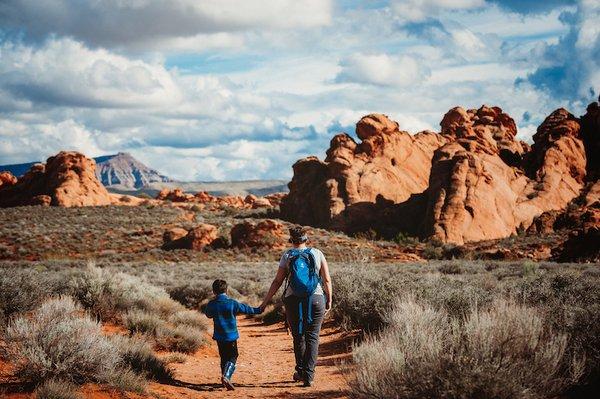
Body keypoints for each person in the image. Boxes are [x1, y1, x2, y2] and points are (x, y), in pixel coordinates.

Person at [259, 227, 333, 387]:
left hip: (293, 299)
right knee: (313, 336)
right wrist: (329, 298)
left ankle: (300, 371)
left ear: (291, 240)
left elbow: (277, 281)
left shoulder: (287, 255)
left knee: (298, 336)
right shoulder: (317, 253)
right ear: (306, 239)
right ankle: (309, 376)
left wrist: (265, 302)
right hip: (316, 298)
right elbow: (326, 279)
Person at [204, 279, 263, 391]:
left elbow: (208, 314)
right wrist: (259, 310)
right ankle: (226, 376)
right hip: (231, 336)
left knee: (224, 357)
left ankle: (224, 378)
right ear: (227, 290)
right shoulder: (232, 303)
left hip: (219, 337)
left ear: (213, 291)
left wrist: (212, 304)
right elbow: (246, 309)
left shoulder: (212, 304)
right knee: (233, 356)